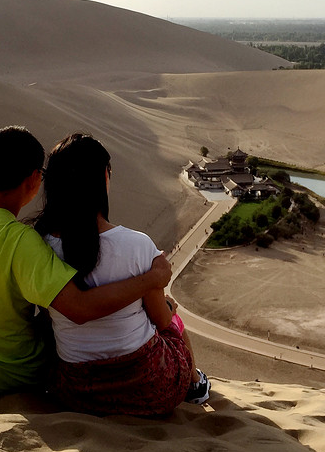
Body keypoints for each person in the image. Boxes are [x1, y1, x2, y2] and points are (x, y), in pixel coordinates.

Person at [0, 125, 173, 397]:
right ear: (34, 178)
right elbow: (79, 309)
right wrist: (153, 278)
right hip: (15, 377)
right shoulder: (20, 240)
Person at [33, 133, 210, 417]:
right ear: (104, 177)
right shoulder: (137, 245)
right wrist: (169, 307)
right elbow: (161, 319)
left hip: (77, 393)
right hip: (151, 390)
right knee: (173, 318)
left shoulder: (40, 244)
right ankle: (196, 385)